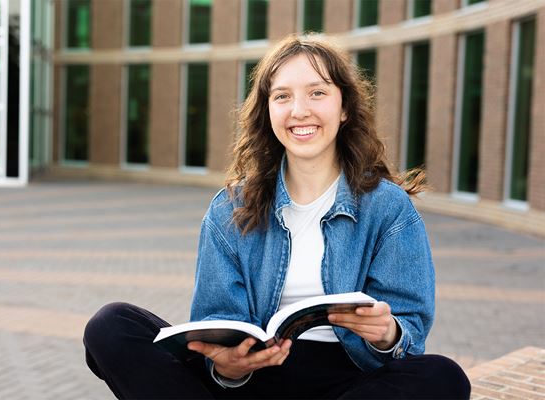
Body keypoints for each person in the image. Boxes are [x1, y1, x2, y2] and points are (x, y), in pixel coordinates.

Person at [83, 35, 471, 399]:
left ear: (345, 108)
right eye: (282, 96)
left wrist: (386, 333)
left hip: (349, 382)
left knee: (443, 377)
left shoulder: (387, 207)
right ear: (268, 110)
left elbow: (409, 335)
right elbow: (217, 324)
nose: (299, 110)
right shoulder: (229, 207)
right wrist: (230, 369)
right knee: (111, 326)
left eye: (317, 93)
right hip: (250, 381)